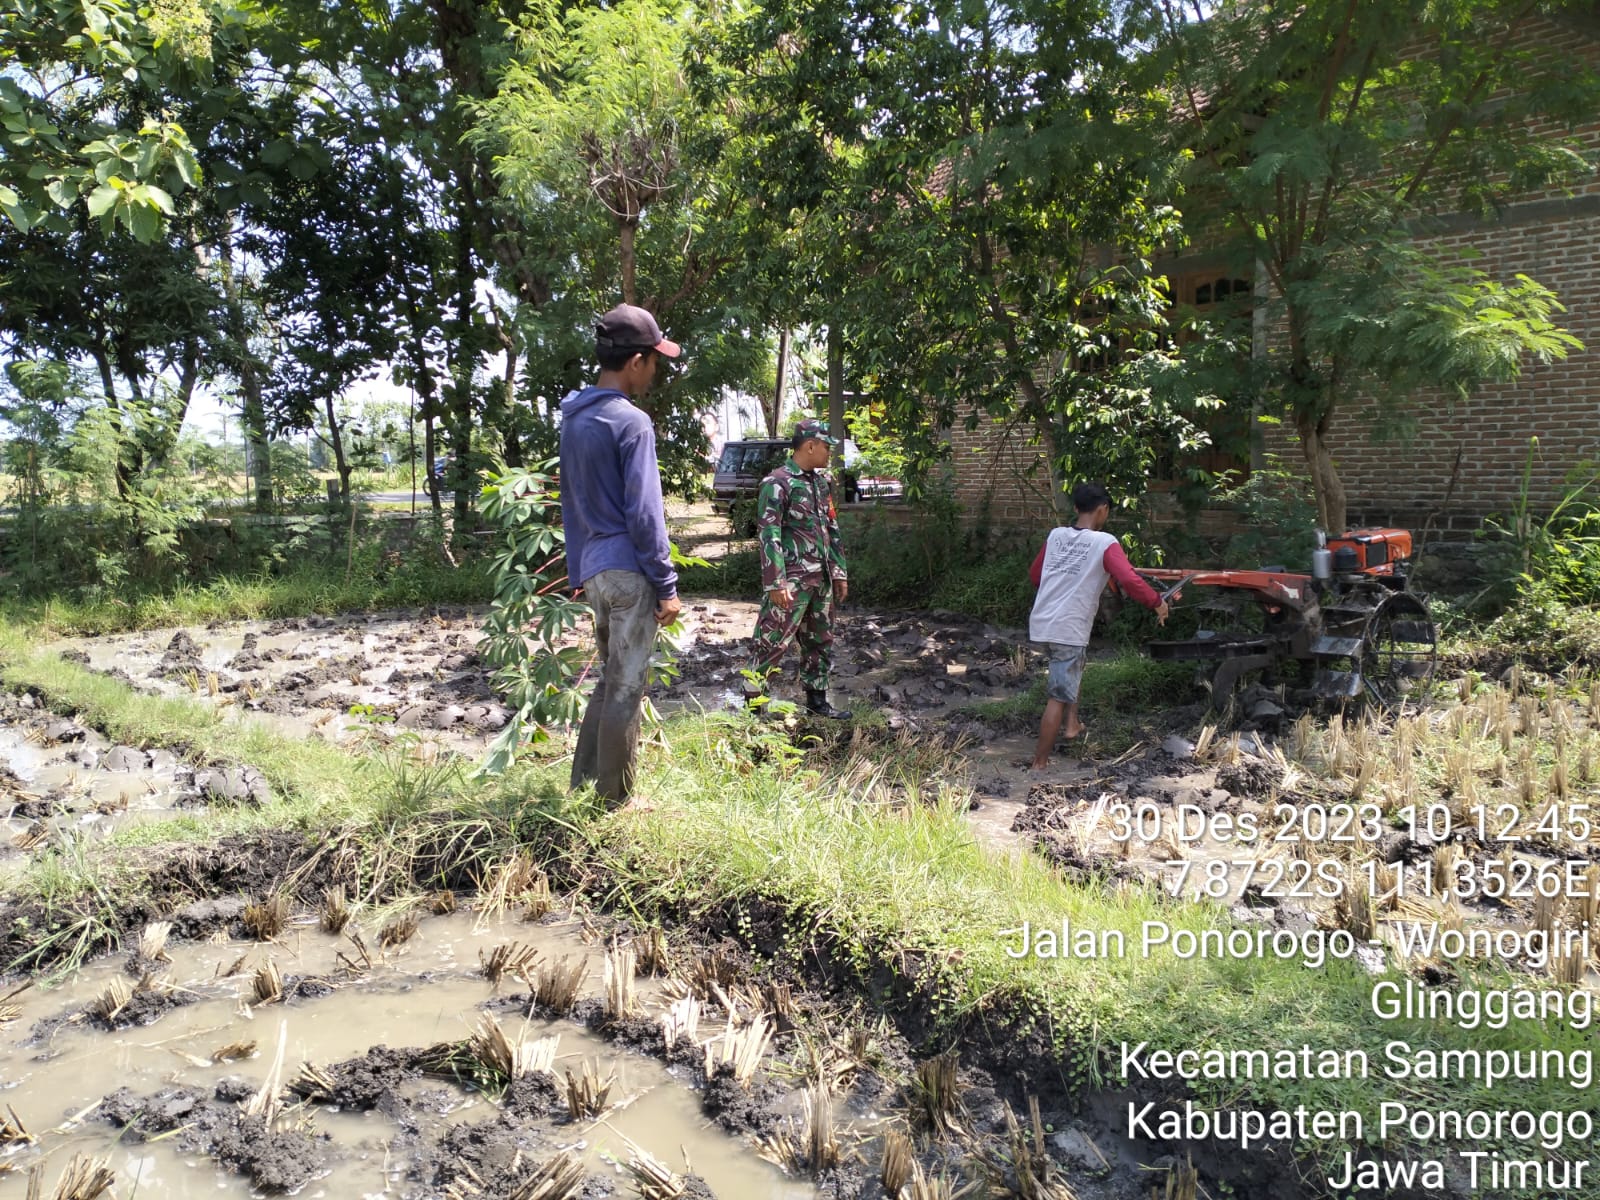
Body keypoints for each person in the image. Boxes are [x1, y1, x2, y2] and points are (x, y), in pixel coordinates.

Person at [559, 303, 683, 808]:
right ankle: (617, 801)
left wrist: (578, 571)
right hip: (630, 574)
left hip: (594, 571)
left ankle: (584, 786)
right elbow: (645, 513)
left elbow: (572, 503)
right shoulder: (632, 423)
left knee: (611, 679)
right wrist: (667, 585)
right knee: (627, 687)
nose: (655, 370)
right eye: (654, 360)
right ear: (635, 361)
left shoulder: (575, 420)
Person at [1028, 481, 1168, 768]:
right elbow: (1129, 580)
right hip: (1068, 628)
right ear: (1103, 509)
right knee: (1057, 694)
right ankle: (1039, 764)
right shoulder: (1105, 543)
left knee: (1073, 669)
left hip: (1042, 623)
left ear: (1077, 508)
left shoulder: (1056, 536)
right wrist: (1157, 602)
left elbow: (1035, 575)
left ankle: (1073, 724)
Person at [744, 418, 851, 719]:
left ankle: (817, 702)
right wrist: (775, 582)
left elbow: (832, 527)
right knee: (772, 641)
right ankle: (752, 710)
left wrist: (839, 572)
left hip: (822, 579)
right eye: (826, 446)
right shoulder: (776, 483)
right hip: (790, 582)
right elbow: (769, 534)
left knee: (820, 640)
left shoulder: (820, 483)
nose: (829, 451)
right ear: (810, 445)